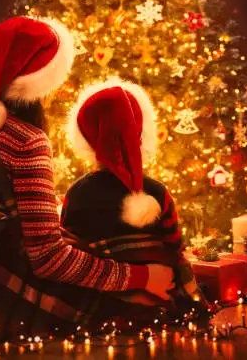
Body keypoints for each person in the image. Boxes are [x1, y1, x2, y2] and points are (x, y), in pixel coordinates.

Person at [0, 16, 173, 337]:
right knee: (137, 306)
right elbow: (48, 259)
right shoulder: (27, 141)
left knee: (84, 253)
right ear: (42, 83)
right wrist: (142, 277)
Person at [61, 78, 208, 326]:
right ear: (139, 132)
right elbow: (175, 246)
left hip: (101, 303)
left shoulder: (76, 193)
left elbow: (69, 242)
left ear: (87, 137)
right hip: (159, 302)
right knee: (180, 262)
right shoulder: (158, 192)